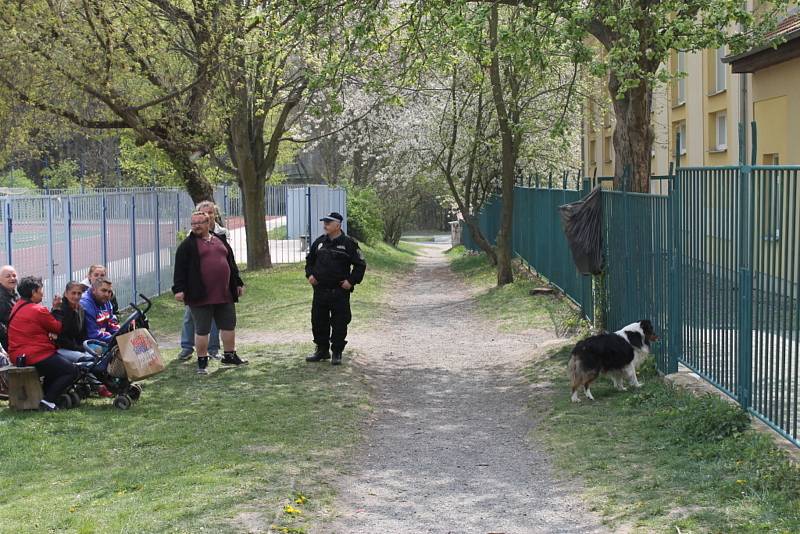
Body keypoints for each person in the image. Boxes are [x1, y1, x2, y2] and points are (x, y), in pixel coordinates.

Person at [172, 210, 246, 375]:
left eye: (200, 223)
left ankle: (230, 355)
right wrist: (178, 290)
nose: (196, 226)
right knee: (202, 329)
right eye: (194, 223)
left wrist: (238, 283)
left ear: (208, 223)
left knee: (228, 325)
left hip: (224, 293)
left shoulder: (220, 240)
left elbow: (231, 263)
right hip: (200, 295)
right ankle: (202, 361)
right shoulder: (187, 246)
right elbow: (179, 270)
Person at [304, 212, 366, 365]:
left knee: (339, 322)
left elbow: (360, 265)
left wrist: (351, 281)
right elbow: (309, 261)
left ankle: (336, 352)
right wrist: (309, 275)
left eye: (328, 222)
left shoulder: (349, 243)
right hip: (320, 290)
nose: (325, 225)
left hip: (339, 292)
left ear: (338, 225)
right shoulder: (319, 243)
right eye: (324, 222)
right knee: (318, 321)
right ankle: (322, 350)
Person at [7, 276, 78, 411]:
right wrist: (57, 309)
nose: (42, 292)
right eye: (41, 289)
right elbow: (57, 328)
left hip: (18, 354)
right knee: (71, 370)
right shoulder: (38, 310)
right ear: (34, 292)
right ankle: (48, 401)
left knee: (56, 368)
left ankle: (46, 395)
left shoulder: (17, 306)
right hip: (35, 354)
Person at [177, 201, 226, 361]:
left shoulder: (222, 233)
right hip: (196, 286)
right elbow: (183, 264)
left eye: (211, 212)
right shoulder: (191, 236)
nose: (209, 215)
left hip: (216, 286)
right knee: (190, 316)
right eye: (205, 212)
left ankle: (212, 349)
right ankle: (187, 347)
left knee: (213, 317)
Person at [51, 281, 113, 397]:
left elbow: (82, 333)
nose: (76, 296)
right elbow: (60, 338)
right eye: (73, 293)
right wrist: (79, 348)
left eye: (79, 293)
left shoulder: (80, 309)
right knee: (87, 359)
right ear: (66, 293)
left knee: (100, 354)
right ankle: (99, 387)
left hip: (77, 347)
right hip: (59, 349)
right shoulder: (62, 310)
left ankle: (110, 382)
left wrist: (84, 346)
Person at [80, 277, 121, 343]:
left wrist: (121, 333)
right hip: (87, 342)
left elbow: (111, 323)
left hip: (101, 337)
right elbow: (93, 335)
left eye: (109, 291)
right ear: (93, 290)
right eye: (103, 290)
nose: (107, 294)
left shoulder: (105, 301)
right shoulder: (85, 304)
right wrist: (114, 338)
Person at [0, 265, 19, 349]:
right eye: (8, 276)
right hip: (7, 343)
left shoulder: (14, 295)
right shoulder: (1, 298)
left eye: (14, 275)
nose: (12, 278)